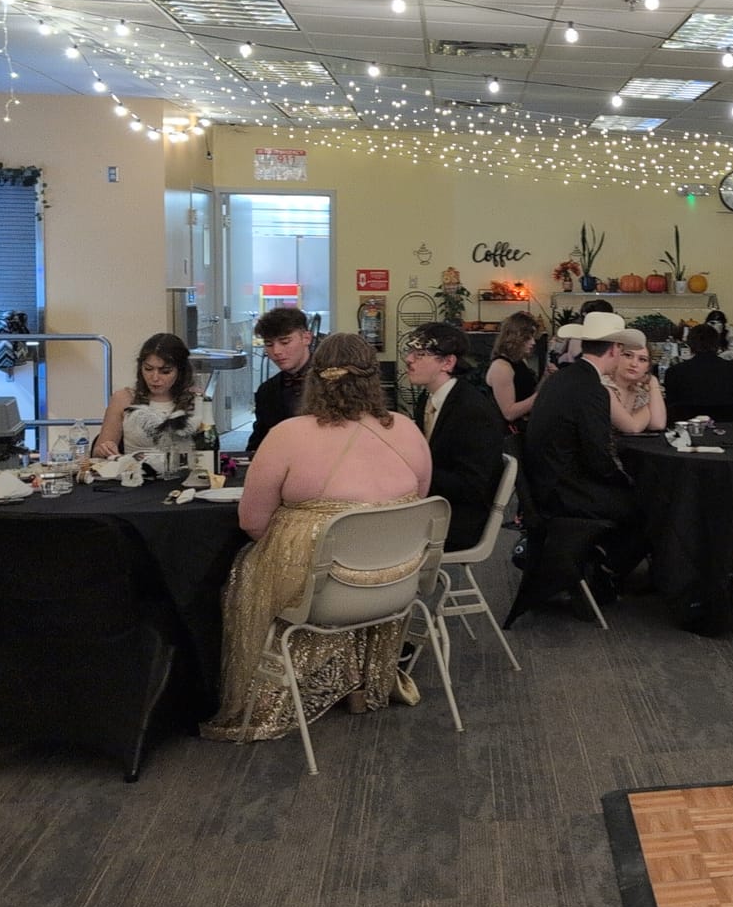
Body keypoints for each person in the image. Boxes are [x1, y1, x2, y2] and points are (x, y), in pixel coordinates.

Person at [202, 333, 432, 744]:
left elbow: (252, 521)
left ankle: (282, 688)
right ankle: (357, 679)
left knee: (246, 567)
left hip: (322, 595)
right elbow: (419, 503)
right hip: (397, 587)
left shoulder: (288, 435)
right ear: (373, 380)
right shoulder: (409, 430)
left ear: (315, 379)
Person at [519, 310, 645, 607]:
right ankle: (608, 570)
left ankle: (601, 561)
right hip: (563, 492)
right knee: (649, 505)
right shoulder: (592, 389)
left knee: (635, 498)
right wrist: (625, 481)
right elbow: (597, 456)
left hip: (544, 483)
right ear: (614, 350)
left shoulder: (561, 379)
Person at [400, 322, 508, 553]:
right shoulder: (426, 401)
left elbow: (474, 486)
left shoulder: (473, 410)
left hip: (458, 520)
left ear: (448, 363)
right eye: (410, 351)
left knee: (372, 531)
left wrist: (413, 475)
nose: (409, 359)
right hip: (434, 508)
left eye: (420, 354)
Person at [94, 332, 201, 459]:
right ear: (141, 368)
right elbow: (97, 454)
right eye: (148, 369)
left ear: (180, 371)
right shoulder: (123, 398)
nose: (154, 378)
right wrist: (105, 449)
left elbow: (208, 449)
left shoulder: (196, 398)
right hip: (136, 474)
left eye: (165, 371)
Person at [246, 306, 314, 452]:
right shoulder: (267, 391)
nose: (276, 351)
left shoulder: (334, 381)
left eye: (285, 342)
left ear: (306, 338)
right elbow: (259, 442)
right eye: (269, 344)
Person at [663, 321, 733, 416]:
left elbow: (671, 406)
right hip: (729, 425)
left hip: (686, 425)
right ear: (717, 344)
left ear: (689, 344)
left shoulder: (674, 372)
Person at [486, 311, 543, 441]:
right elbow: (509, 413)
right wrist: (541, 395)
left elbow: (529, 393)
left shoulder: (520, 361)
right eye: (528, 338)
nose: (533, 342)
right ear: (515, 338)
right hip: (507, 435)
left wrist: (546, 378)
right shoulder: (502, 367)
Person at [603, 329, 668, 434]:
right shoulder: (604, 386)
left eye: (642, 359)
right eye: (628, 355)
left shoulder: (640, 392)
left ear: (648, 367)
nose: (634, 364)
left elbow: (657, 424)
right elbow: (633, 428)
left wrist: (653, 381)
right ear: (616, 355)